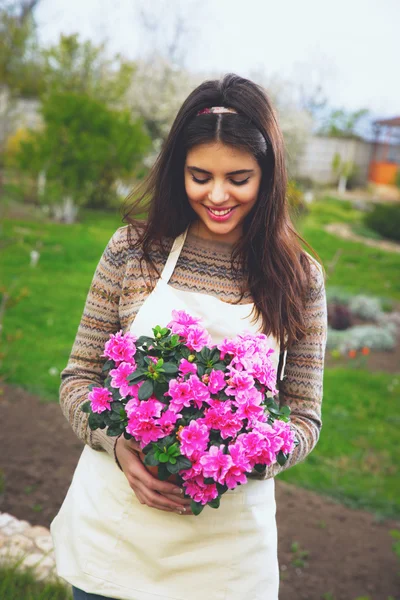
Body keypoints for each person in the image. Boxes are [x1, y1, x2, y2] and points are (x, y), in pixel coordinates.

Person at [50, 73, 328, 600]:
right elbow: (79, 377)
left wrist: (242, 452)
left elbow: (305, 418)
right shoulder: (134, 251)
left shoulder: (300, 277)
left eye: (239, 178)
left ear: (269, 177)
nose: (217, 195)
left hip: (225, 556)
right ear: (177, 169)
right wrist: (118, 444)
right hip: (116, 532)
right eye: (200, 175)